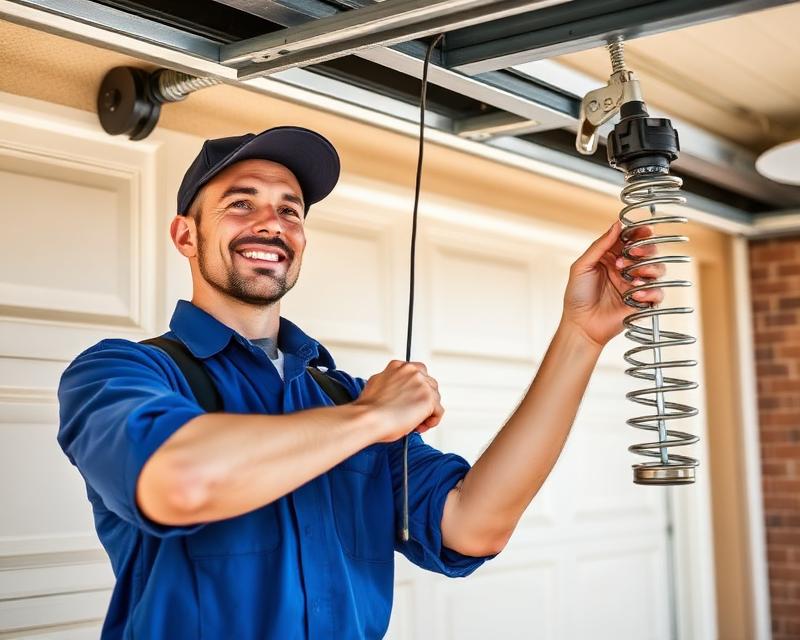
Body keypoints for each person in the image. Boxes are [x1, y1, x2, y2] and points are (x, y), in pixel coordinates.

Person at [57, 126, 665, 639]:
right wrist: (372, 419)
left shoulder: (338, 395)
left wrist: (580, 338)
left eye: (289, 209)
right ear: (185, 235)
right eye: (240, 203)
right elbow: (180, 483)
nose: (271, 223)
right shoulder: (121, 371)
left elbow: (474, 525)